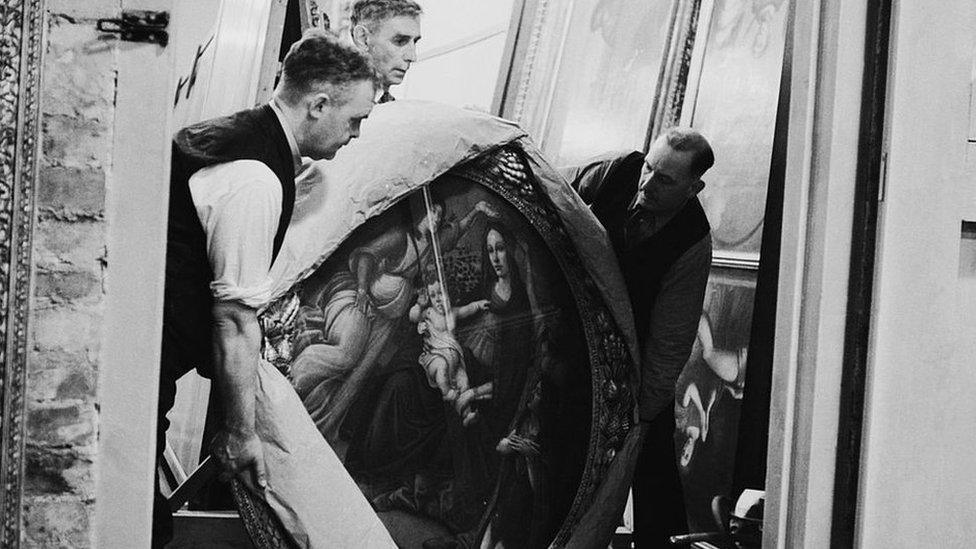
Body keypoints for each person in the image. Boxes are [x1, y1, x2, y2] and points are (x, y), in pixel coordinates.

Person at [154, 31, 377, 547]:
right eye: (355, 119)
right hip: (143, 366)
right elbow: (232, 319)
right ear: (319, 105)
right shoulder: (254, 175)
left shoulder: (241, 137)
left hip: (144, 359)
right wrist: (240, 431)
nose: (358, 134)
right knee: (139, 525)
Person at [562, 127, 714, 548]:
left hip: (631, 361)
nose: (646, 182)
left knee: (652, 475)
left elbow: (670, 343)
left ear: (693, 187)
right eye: (650, 167)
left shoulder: (692, 242)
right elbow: (553, 191)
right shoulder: (619, 169)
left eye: (664, 180)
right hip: (569, 332)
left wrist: (640, 420)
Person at [409, 275, 489, 419]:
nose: (438, 298)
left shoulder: (453, 312)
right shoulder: (429, 313)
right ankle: (446, 393)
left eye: (441, 293)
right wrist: (420, 305)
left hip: (456, 360)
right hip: (435, 357)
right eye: (433, 296)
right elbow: (413, 317)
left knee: (464, 383)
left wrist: (479, 304)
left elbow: (468, 309)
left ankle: (466, 415)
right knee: (442, 367)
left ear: (449, 293)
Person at [350, 0, 423, 103]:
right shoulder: (332, 109)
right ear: (363, 39)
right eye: (400, 41)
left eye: (414, 42)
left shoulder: (398, 112)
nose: (412, 57)